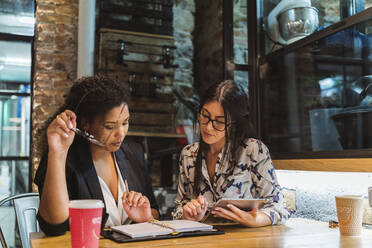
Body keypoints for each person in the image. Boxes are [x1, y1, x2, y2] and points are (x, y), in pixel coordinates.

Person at [34, 75, 159, 236]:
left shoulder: (133, 152)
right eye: (110, 126)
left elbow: (155, 212)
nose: (120, 134)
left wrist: (146, 216)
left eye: (125, 123)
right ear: (85, 123)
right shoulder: (64, 158)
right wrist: (58, 154)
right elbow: (54, 226)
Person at [172, 80, 291, 227]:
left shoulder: (252, 150)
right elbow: (178, 209)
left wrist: (254, 220)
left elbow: (280, 206)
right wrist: (187, 214)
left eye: (219, 122)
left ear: (234, 123)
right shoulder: (188, 155)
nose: (209, 127)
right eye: (205, 116)